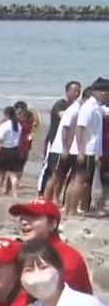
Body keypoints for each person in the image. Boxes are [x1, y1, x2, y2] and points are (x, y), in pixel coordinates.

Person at [9, 198, 92, 293]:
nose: (23, 222)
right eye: (22, 217)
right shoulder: (26, 249)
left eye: (33, 217)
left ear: (53, 224)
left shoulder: (65, 259)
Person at [65, 77, 109, 216]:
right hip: (85, 150)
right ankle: (71, 210)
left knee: (77, 180)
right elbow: (80, 129)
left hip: (89, 150)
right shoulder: (88, 107)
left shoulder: (97, 106)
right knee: (79, 181)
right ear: (102, 92)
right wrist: (81, 151)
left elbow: (106, 113)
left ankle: (69, 210)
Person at [40, 81, 82, 202]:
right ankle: (43, 196)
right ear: (68, 91)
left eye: (78, 91)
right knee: (51, 172)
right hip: (54, 142)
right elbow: (61, 115)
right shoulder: (60, 104)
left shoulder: (76, 108)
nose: (77, 93)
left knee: (62, 175)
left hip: (68, 144)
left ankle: (55, 198)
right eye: (75, 90)